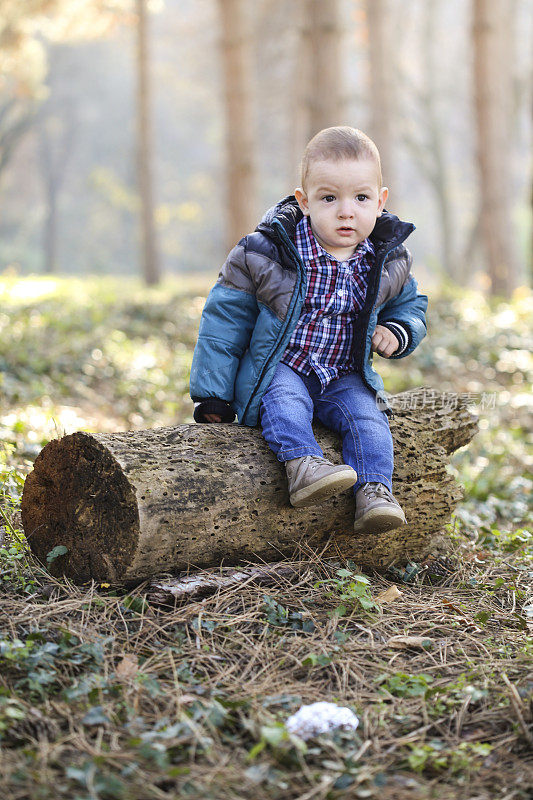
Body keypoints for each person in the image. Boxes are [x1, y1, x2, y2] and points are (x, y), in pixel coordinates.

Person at [190, 126, 428, 535]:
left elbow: (412, 306)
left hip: (343, 373)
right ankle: (302, 464)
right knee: (283, 400)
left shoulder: (387, 259)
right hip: (285, 364)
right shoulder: (266, 252)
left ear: (381, 200)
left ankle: (375, 491)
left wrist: (399, 328)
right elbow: (223, 322)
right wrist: (213, 393)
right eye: (329, 198)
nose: (346, 211)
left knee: (368, 420)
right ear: (304, 201)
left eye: (361, 198)